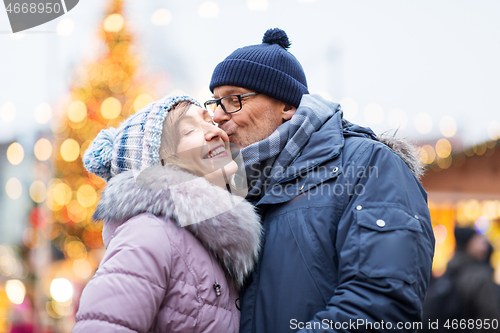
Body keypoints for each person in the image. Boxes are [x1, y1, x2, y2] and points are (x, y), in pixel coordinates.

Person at [207, 28, 435, 332]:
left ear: (287, 106)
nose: (218, 115)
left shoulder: (370, 166)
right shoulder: (230, 184)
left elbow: (381, 302)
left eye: (234, 99)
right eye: (215, 102)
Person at [73, 95, 263, 332]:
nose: (215, 132)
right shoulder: (149, 234)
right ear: (159, 163)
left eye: (209, 122)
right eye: (189, 131)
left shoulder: (214, 240)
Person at [422, 227, 500, 333]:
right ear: (468, 244)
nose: (484, 247)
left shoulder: (449, 270)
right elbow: (491, 318)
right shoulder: (479, 277)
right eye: (479, 241)